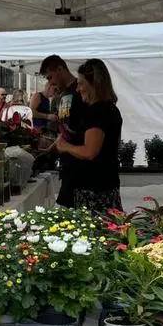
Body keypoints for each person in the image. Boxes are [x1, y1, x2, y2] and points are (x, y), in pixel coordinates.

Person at [54, 58, 122, 214]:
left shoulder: (97, 112)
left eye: (81, 84)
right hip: (105, 184)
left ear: (94, 85)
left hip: (93, 189)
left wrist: (65, 146)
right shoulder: (111, 109)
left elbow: (89, 152)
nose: (78, 89)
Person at [40, 53, 87, 207]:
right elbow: (64, 130)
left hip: (81, 167)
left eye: (50, 77)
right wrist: (50, 147)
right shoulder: (63, 95)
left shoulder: (79, 92)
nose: (50, 82)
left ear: (60, 69)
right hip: (68, 164)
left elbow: (84, 130)